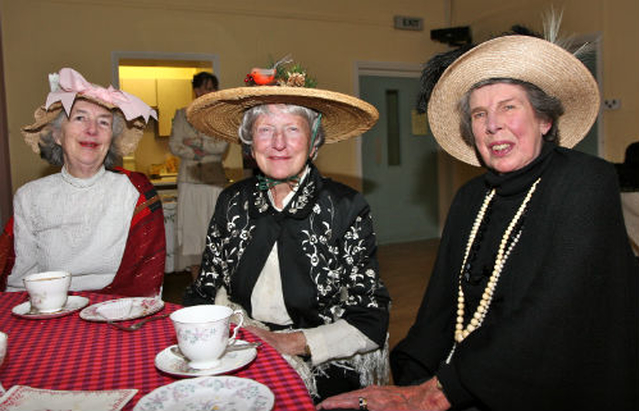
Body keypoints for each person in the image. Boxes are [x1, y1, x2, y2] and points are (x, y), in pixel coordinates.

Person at [318, 35, 639, 411]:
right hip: (471, 373)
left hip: (556, 382)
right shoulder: (472, 198)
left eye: (509, 107)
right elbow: (440, 306)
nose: (492, 125)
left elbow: (550, 316)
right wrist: (414, 377)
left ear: (544, 119)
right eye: (478, 114)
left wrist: (438, 393)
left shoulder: (585, 180)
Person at [183, 65, 391, 402]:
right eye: (265, 130)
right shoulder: (231, 201)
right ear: (250, 144)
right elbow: (205, 289)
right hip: (239, 345)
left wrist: (286, 343)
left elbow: (370, 319)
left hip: (322, 362)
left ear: (313, 144)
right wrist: (237, 330)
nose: (278, 143)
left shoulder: (346, 207)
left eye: (293, 129)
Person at [2, 67, 164, 297]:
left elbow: (148, 283)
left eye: (104, 122)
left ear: (112, 138)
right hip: (53, 314)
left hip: (118, 312)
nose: (92, 130)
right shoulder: (30, 197)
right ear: (57, 135)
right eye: (80, 118)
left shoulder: (134, 192)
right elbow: (18, 284)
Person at [169, 72, 229, 278]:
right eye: (205, 87)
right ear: (196, 90)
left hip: (215, 181)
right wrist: (201, 149)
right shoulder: (181, 115)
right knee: (193, 234)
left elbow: (220, 147)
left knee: (215, 232)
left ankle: (218, 283)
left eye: (213, 88)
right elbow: (175, 145)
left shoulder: (219, 117)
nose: (208, 92)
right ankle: (197, 284)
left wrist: (194, 143)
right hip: (189, 180)